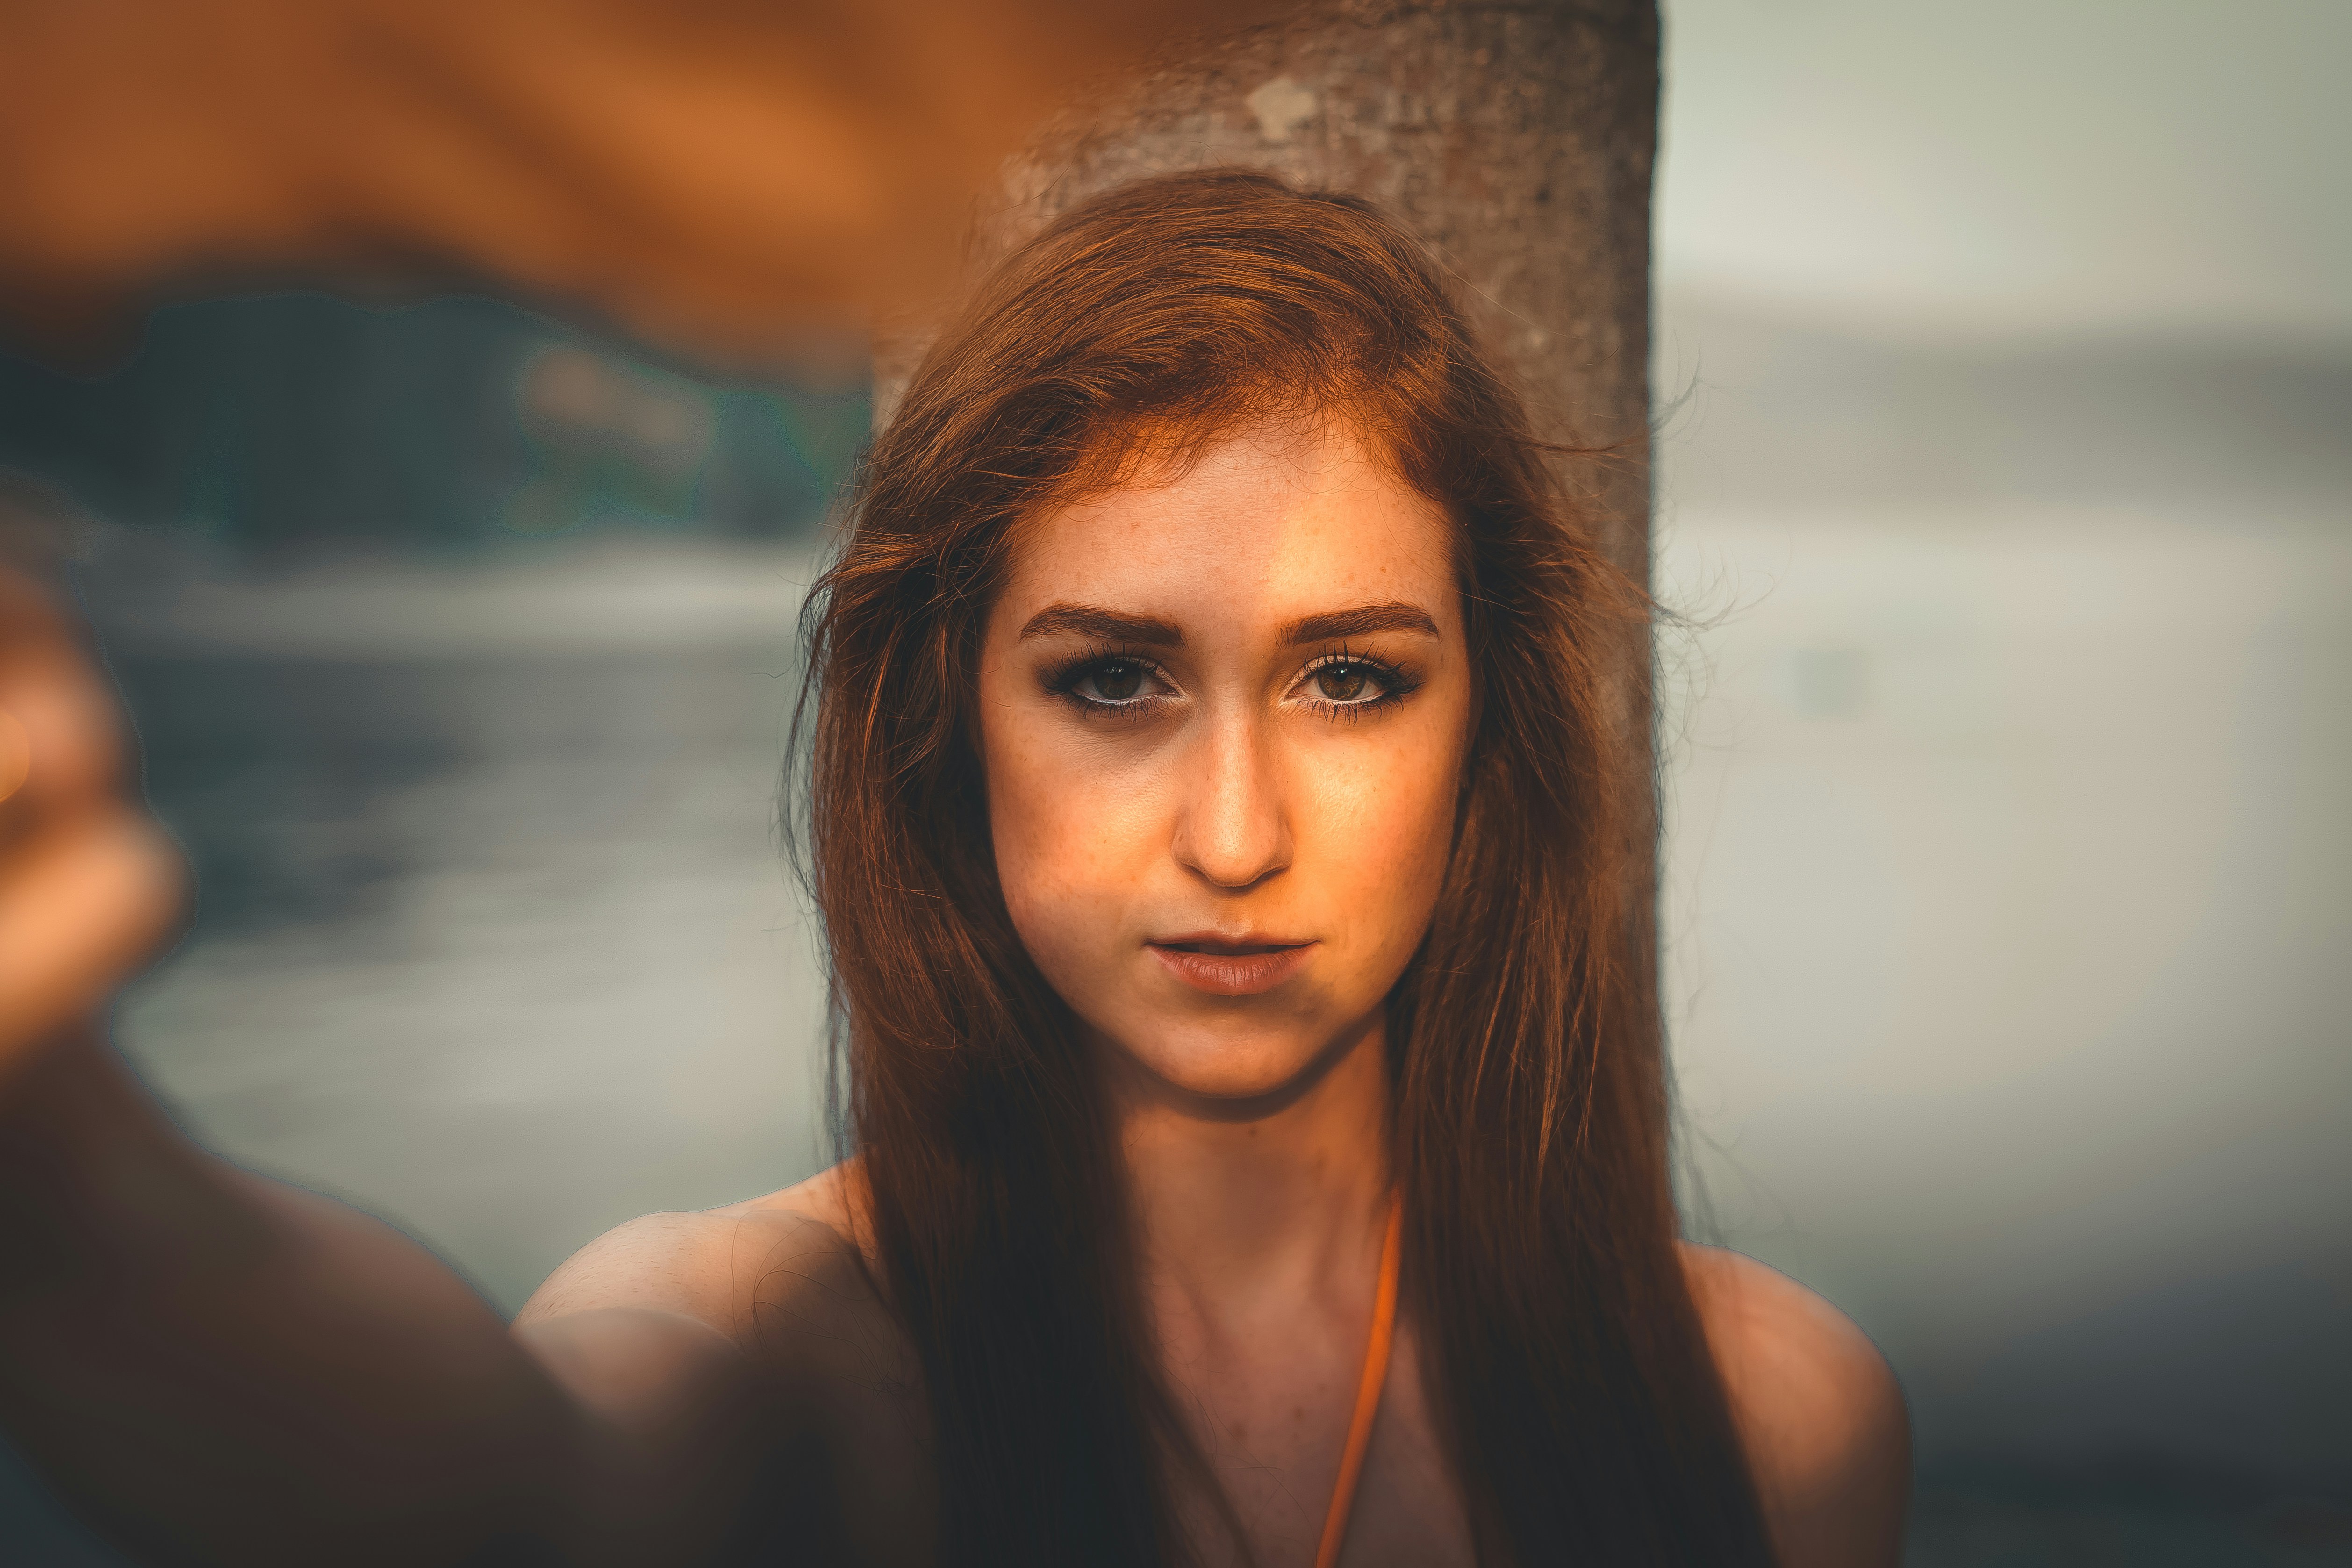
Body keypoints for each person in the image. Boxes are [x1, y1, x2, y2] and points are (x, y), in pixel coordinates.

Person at [0, 170, 1908, 1566]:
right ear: (945, 718)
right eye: (1110, 678)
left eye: (1348, 680)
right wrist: (68, 1153)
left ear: (1483, 731)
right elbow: (496, 1479)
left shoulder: (1762, 1421)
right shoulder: (776, 1344)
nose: (1234, 836)